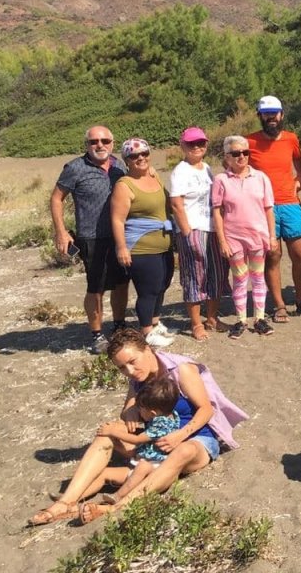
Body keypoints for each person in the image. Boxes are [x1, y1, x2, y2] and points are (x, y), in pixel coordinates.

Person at [26, 327, 248, 527]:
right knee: (107, 432)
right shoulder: (137, 380)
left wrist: (180, 435)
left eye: (133, 362)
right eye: (122, 368)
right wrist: (129, 412)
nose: (130, 371)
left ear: (148, 350)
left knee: (184, 450)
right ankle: (66, 502)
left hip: (196, 439)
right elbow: (127, 415)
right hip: (156, 443)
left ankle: (116, 507)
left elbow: (206, 410)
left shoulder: (181, 369)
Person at [50, 125, 131, 351]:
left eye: (105, 140)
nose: (100, 145)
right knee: (96, 287)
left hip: (120, 236)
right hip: (92, 237)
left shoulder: (119, 166)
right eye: (94, 141)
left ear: (112, 143)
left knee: (122, 283)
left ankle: (119, 325)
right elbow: (56, 198)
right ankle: (96, 334)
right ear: (86, 145)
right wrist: (61, 231)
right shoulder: (75, 167)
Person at [247, 95, 301, 321]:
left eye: (275, 113)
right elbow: (234, 167)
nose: (271, 117)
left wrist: (298, 179)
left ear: (281, 114)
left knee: (300, 253)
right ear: (260, 116)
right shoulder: (248, 142)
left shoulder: (290, 139)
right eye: (266, 113)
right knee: (273, 255)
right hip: (263, 209)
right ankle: (279, 305)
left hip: (290, 204)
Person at [109, 138, 175, 348]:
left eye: (144, 154)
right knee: (148, 290)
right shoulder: (124, 185)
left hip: (164, 244)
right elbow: (117, 219)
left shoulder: (155, 177)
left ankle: (155, 323)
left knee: (162, 285)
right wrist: (121, 248)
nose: (140, 158)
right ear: (126, 160)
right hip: (141, 247)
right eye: (134, 156)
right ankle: (146, 330)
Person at [211, 135, 277, 338]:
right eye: (236, 153)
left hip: (257, 236)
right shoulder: (221, 180)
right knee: (239, 278)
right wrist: (222, 240)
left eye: (245, 153)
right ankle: (241, 319)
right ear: (227, 157)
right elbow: (217, 211)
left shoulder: (261, 178)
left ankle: (259, 318)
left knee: (258, 277)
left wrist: (272, 236)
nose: (241, 157)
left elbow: (268, 209)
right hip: (233, 238)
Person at [168, 127, 229, 340]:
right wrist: (187, 233)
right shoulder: (181, 171)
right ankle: (195, 323)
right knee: (194, 277)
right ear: (182, 145)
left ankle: (211, 318)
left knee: (216, 274)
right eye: (191, 143)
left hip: (212, 229)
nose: (196, 147)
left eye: (200, 143)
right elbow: (176, 205)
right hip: (193, 229)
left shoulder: (207, 169)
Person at [92, 375, 180, 505]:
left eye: (141, 409)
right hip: (147, 456)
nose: (139, 413)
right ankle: (73, 498)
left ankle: (118, 495)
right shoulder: (171, 414)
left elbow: (137, 439)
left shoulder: (162, 424)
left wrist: (113, 431)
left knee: (143, 466)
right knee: (105, 472)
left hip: (157, 465)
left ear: (153, 413)